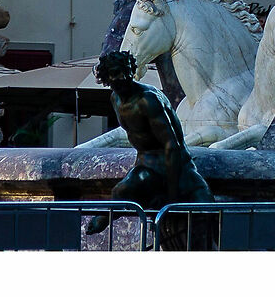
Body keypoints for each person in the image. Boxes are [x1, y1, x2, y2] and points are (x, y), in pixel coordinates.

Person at [87, 49, 209, 231]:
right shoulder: (115, 99)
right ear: (106, 78)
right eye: (116, 73)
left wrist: (172, 198)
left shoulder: (147, 100)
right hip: (147, 166)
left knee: (206, 216)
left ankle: (107, 215)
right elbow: (140, 144)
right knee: (121, 191)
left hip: (176, 167)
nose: (124, 76)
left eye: (127, 70)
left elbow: (172, 146)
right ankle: (108, 215)